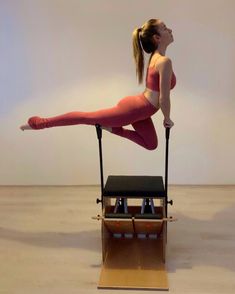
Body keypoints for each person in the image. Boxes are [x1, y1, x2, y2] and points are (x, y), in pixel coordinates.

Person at [20, 18, 176, 150]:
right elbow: (163, 98)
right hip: (133, 110)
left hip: (142, 111)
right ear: (157, 38)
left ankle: (114, 129)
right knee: (86, 117)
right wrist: (167, 119)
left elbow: (160, 95)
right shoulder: (163, 61)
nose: (170, 30)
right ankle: (41, 123)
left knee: (151, 144)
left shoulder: (158, 59)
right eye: (164, 28)